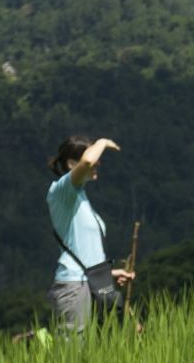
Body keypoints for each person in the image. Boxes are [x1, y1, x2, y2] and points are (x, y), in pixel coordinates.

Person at [45, 135, 136, 332]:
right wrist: (102, 142)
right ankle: (34, 340)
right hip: (73, 287)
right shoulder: (62, 190)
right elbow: (88, 161)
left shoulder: (81, 197)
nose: (98, 163)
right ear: (71, 163)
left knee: (103, 346)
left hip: (94, 283)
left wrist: (109, 274)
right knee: (73, 353)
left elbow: (84, 249)